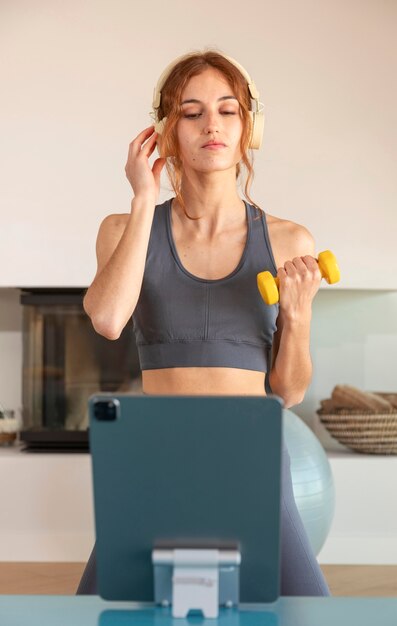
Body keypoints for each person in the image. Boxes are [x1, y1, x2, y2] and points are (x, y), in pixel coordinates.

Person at [78, 49, 330, 597]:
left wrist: (299, 313)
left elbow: (287, 391)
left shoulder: (289, 240)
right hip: (154, 460)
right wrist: (145, 198)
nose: (210, 125)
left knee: (309, 609)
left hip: (254, 460)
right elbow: (107, 318)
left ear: (248, 128)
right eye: (191, 113)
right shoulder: (123, 227)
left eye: (227, 110)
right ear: (167, 133)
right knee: (102, 611)